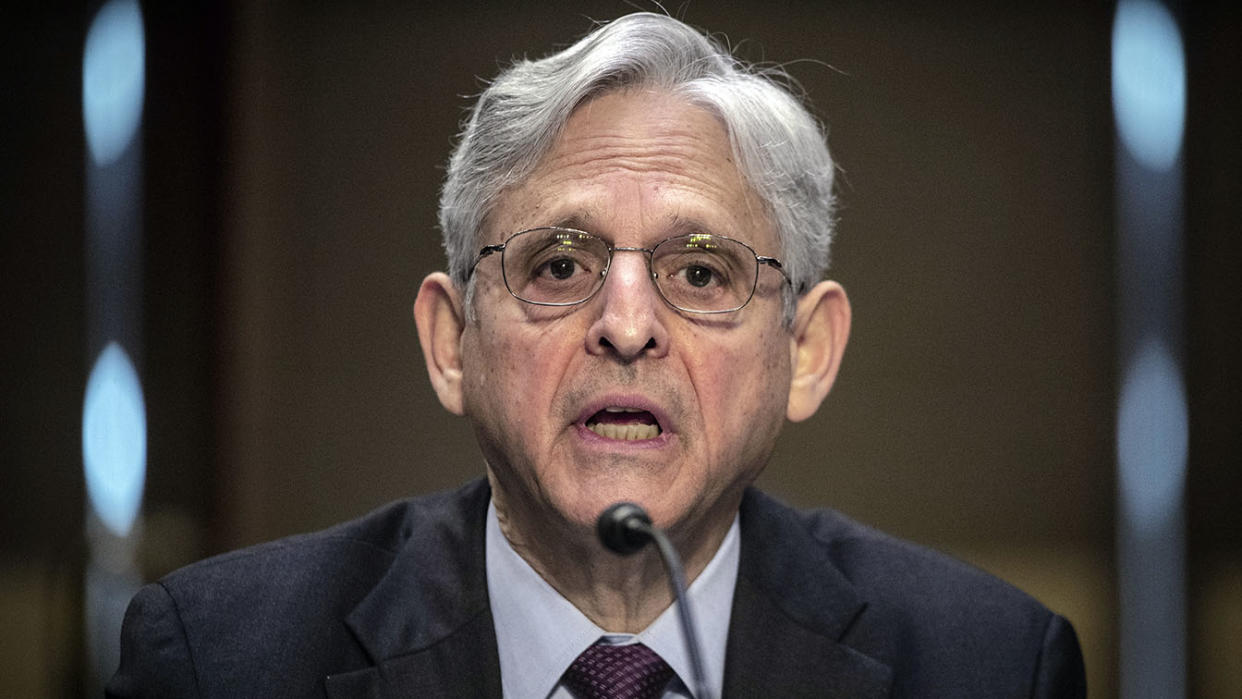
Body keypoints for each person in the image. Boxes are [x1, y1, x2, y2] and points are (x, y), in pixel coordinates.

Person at [108, 12, 1085, 698]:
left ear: (807, 350)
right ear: (451, 342)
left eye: (702, 276)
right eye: (560, 263)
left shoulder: (986, 664)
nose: (625, 325)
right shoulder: (221, 659)